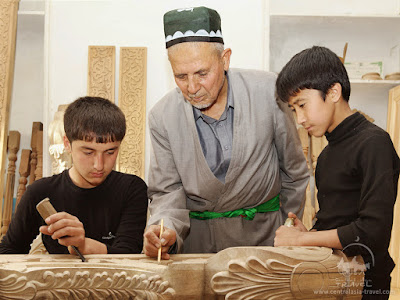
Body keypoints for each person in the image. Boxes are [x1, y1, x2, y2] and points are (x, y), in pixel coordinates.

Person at [143, 6, 309, 259]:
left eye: (202, 73)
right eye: (181, 76)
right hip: (198, 249)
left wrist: (286, 228)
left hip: (266, 242)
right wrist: (164, 230)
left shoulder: (268, 93)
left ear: (225, 59)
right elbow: (167, 192)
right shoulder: (163, 116)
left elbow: (294, 172)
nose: (192, 87)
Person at [274, 46, 400, 299]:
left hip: (366, 283)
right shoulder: (329, 154)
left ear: (333, 92)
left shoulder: (374, 143)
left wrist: (300, 242)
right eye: (293, 109)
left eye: (302, 105)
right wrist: (307, 234)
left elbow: (372, 232)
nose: (299, 118)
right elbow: (338, 221)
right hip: (332, 276)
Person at [0, 96, 148, 255]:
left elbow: (129, 256)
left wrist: (83, 245)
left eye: (110, 152)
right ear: (67, 144)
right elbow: (9, 251)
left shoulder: (132, 189)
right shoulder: (40, 192)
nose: (99, 164)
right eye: (88, 152)